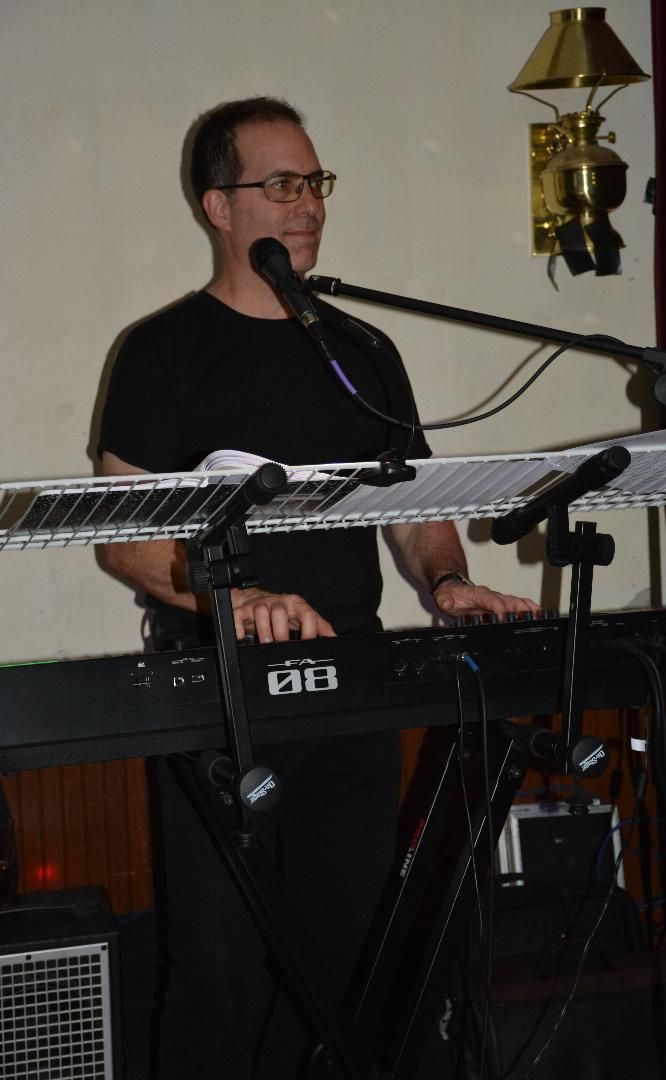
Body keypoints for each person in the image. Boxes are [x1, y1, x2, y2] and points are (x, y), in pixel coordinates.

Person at [98, 97, 537, 1078]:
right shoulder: (162, 350)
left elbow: (412, 510)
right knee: (220, 973)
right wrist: (231, 600)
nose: (308, 205)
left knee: (355, 965)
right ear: (218, 206)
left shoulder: (363, 352)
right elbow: (124, 542)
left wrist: (449, 578)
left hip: (350, 686)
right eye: (282, 184)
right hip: (216, 695)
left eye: (315, 183)